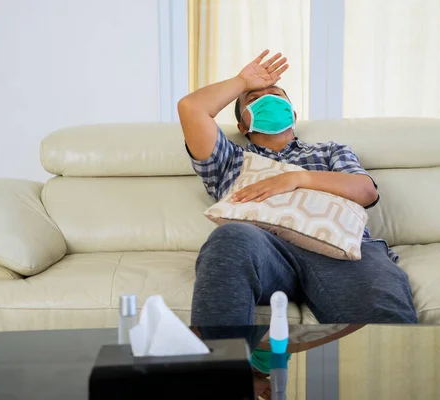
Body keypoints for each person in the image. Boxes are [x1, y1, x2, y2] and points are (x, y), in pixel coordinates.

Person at [178, 49, 418, 326]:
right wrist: (242, 82)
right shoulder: (229, 159)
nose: (266, 98)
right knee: (230, 238)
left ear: (291, 113)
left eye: (275, 96)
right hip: (267, 251)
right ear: (242, 126)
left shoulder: (330, 151)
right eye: (254, 99)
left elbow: (366, 191)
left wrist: (296, 178)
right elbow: (191, 109)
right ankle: (221, 365)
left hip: (339, 249)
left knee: (385, 328)